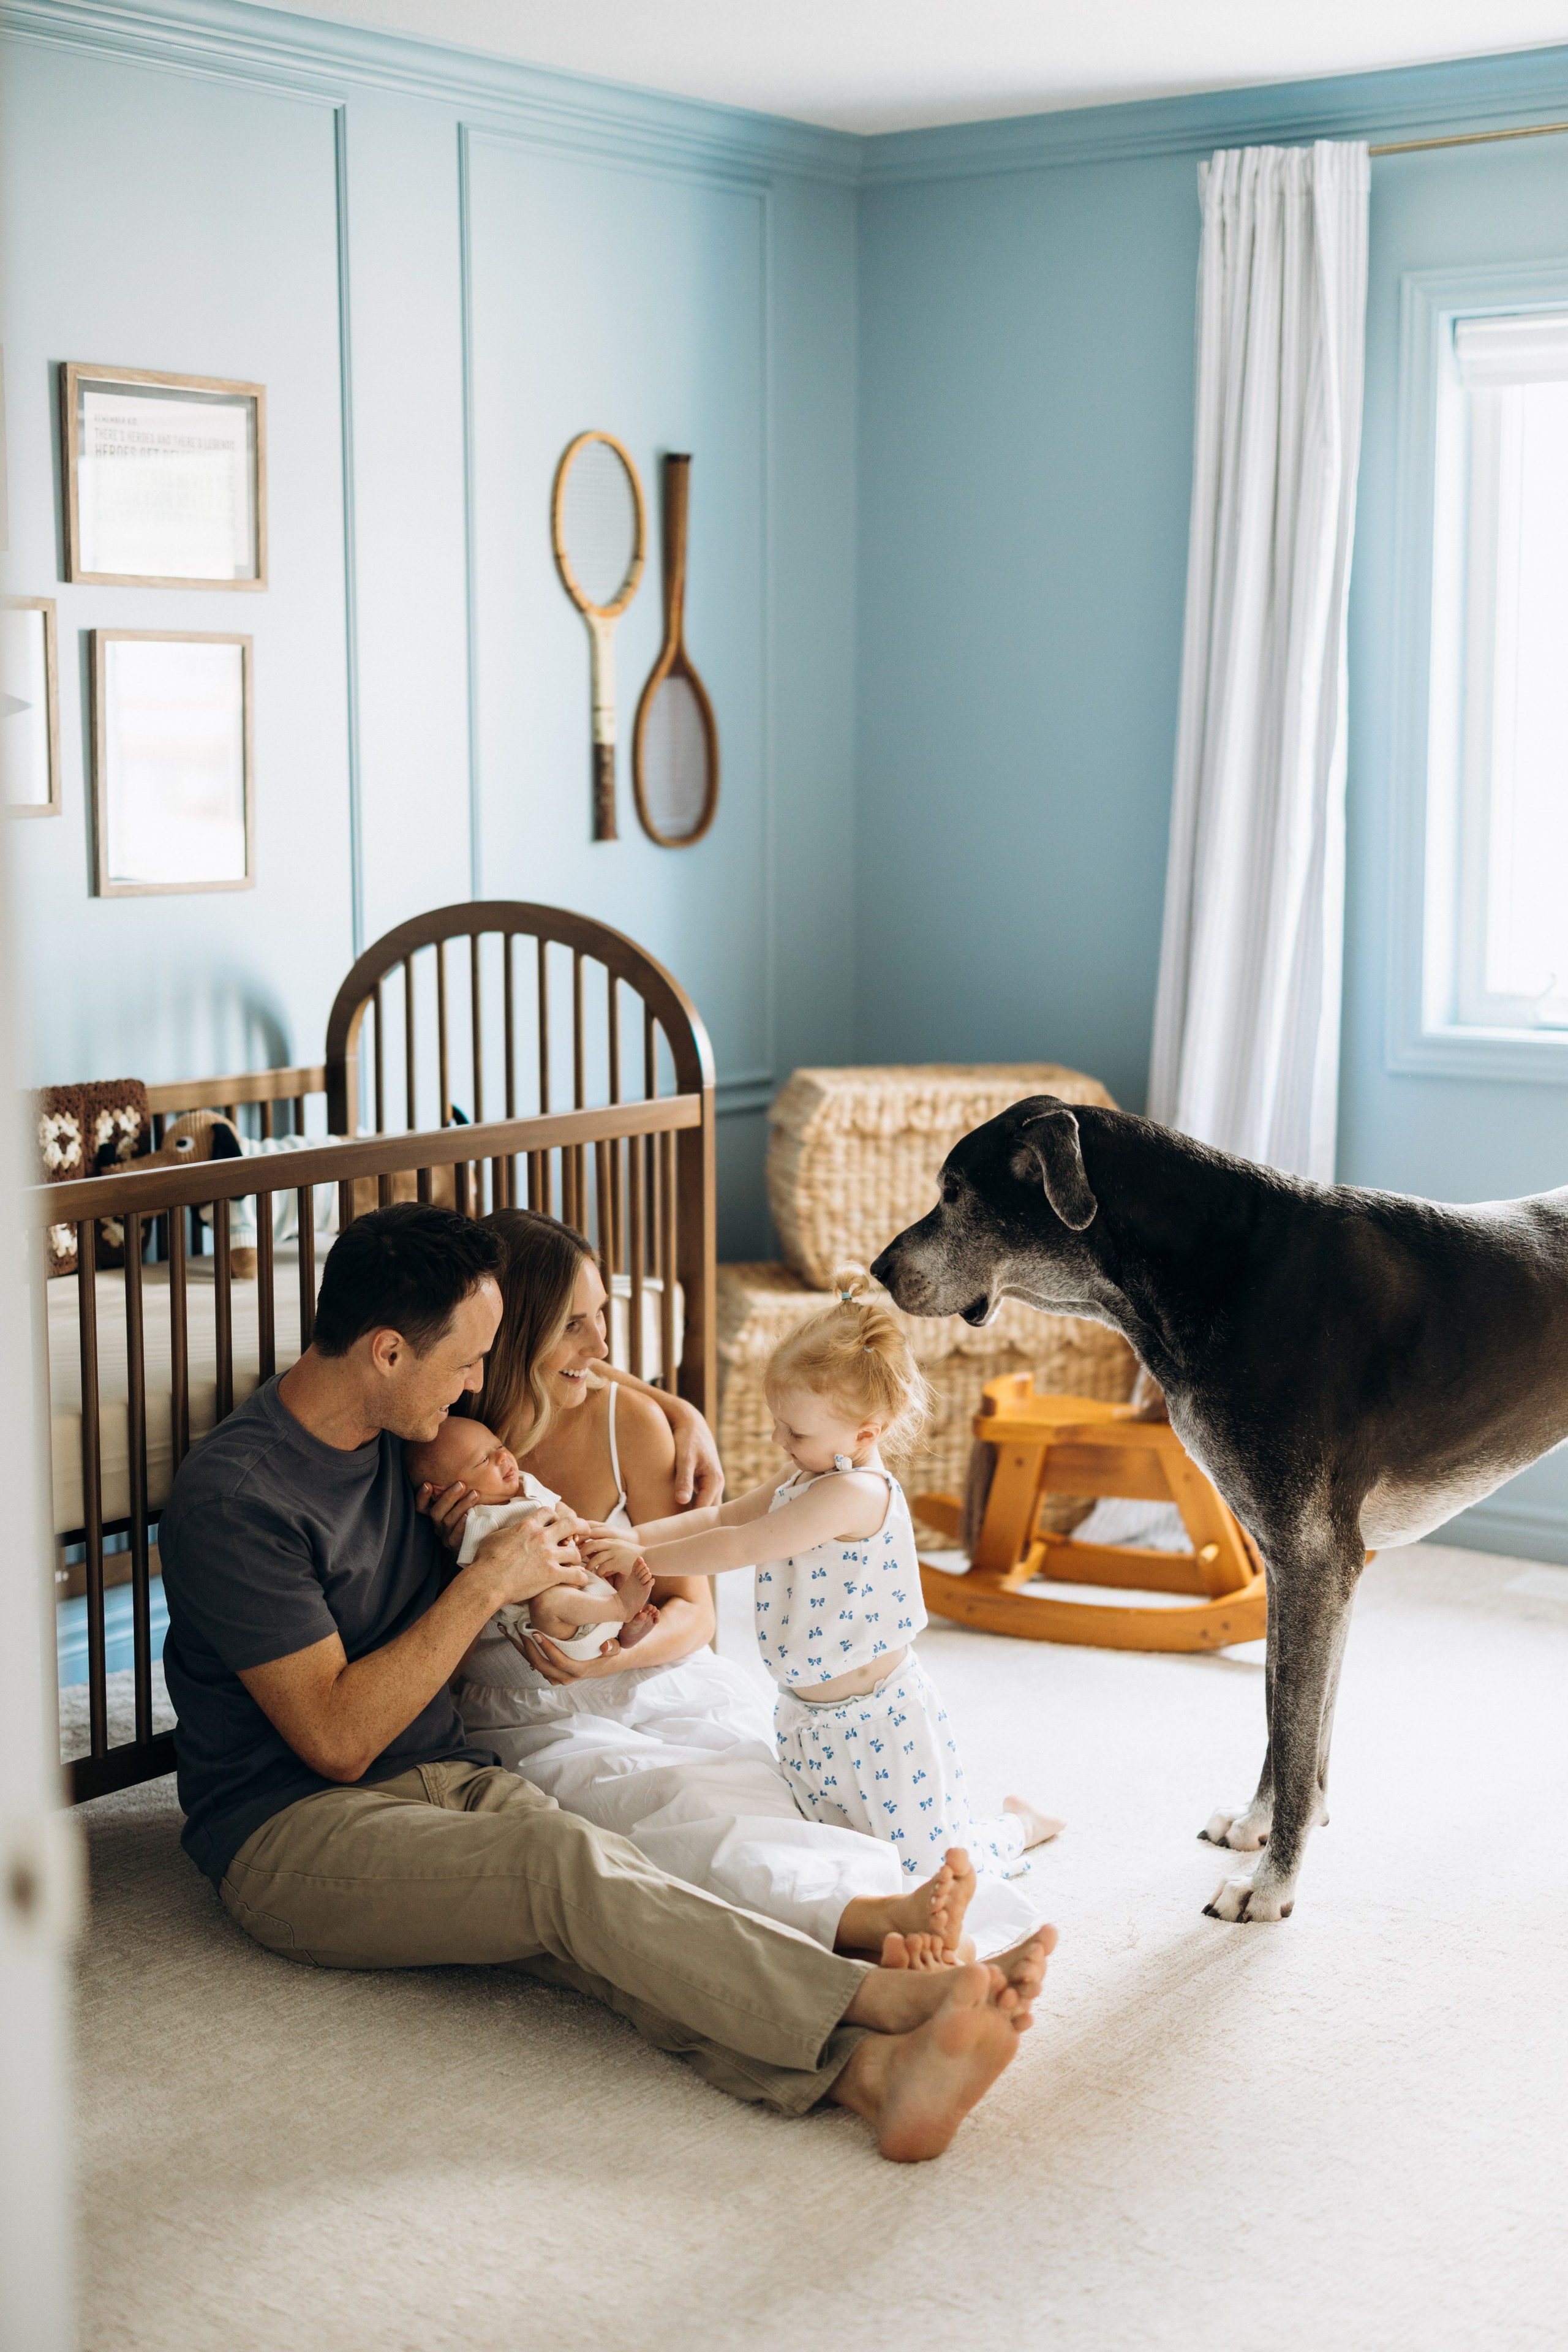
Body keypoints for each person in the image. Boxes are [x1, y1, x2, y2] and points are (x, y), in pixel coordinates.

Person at [158, 1202, 1054, 2163]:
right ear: (386, 1352)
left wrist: (671, 1407)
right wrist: (487, 1582)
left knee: (614, 1903)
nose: (474, 1390)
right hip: (294, 1827)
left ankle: (871, 2078)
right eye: (465, 1366)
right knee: (564, 1871)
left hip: (443, 1776)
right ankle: (890, 1994)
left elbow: (553, 1365)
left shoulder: (395, 1421)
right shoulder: (240, 1500)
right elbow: (337, 1741)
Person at [448, 1208, 1054, 1962]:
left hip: (778, 1698)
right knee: (697, 1815)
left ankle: (931, 1895)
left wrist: (616, 1637)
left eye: (602, 1317)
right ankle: (876, 1916)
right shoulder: (445, 1447)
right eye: (577, 1323)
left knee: (818, 1811)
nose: (602, 1346)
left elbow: (720, 1561)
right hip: (576, 1710)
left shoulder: (651, 1430)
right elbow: (733, 1516)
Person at [584, 1268, 1063, 1886]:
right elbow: (723, 1514)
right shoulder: (806, 1478)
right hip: (809, 1721)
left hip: (878, 1727)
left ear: (866, 1434)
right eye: (778, 1422)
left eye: (796, 1431)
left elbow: (738, 1543)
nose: (778, 1439)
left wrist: (641, 1563)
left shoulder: (856, 1494)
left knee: (930, 1872)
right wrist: (632, 1537)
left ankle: (1018, 1826)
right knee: (841, 1864)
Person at [406, 1414, 658, 1659]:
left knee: (610, 1558)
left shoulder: (526, 1484)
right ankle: (620, 1608)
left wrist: (575, 1529)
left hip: (589, 1586)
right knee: (547, 1605)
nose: (503, 1457)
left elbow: (560, 1507)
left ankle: (625, 1632)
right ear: (446, 1491)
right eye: (484, 1460)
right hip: (557, 1628)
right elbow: (492, 1568)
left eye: (499, 1445)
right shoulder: (475, 1520)